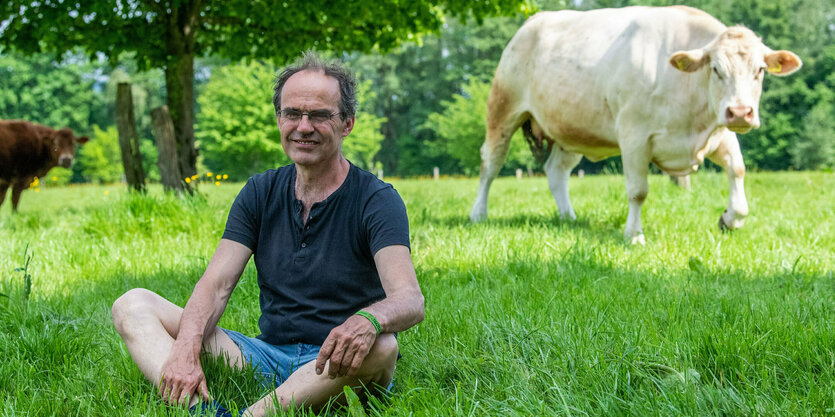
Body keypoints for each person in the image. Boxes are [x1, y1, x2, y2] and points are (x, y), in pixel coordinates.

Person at [111, 52, 425, 417]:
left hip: (339, 364)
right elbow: (216, 285)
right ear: (279, 119)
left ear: (347, 123)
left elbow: (409, 299)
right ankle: (204, 412)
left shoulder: (376, 199)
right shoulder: (260, 191)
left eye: (320, 115)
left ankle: (252, 415)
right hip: (264, 356)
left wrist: (368, 320)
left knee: (383, 346)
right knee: (133, 305)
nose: (303, 126)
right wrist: (185, 348)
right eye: (292, 113)